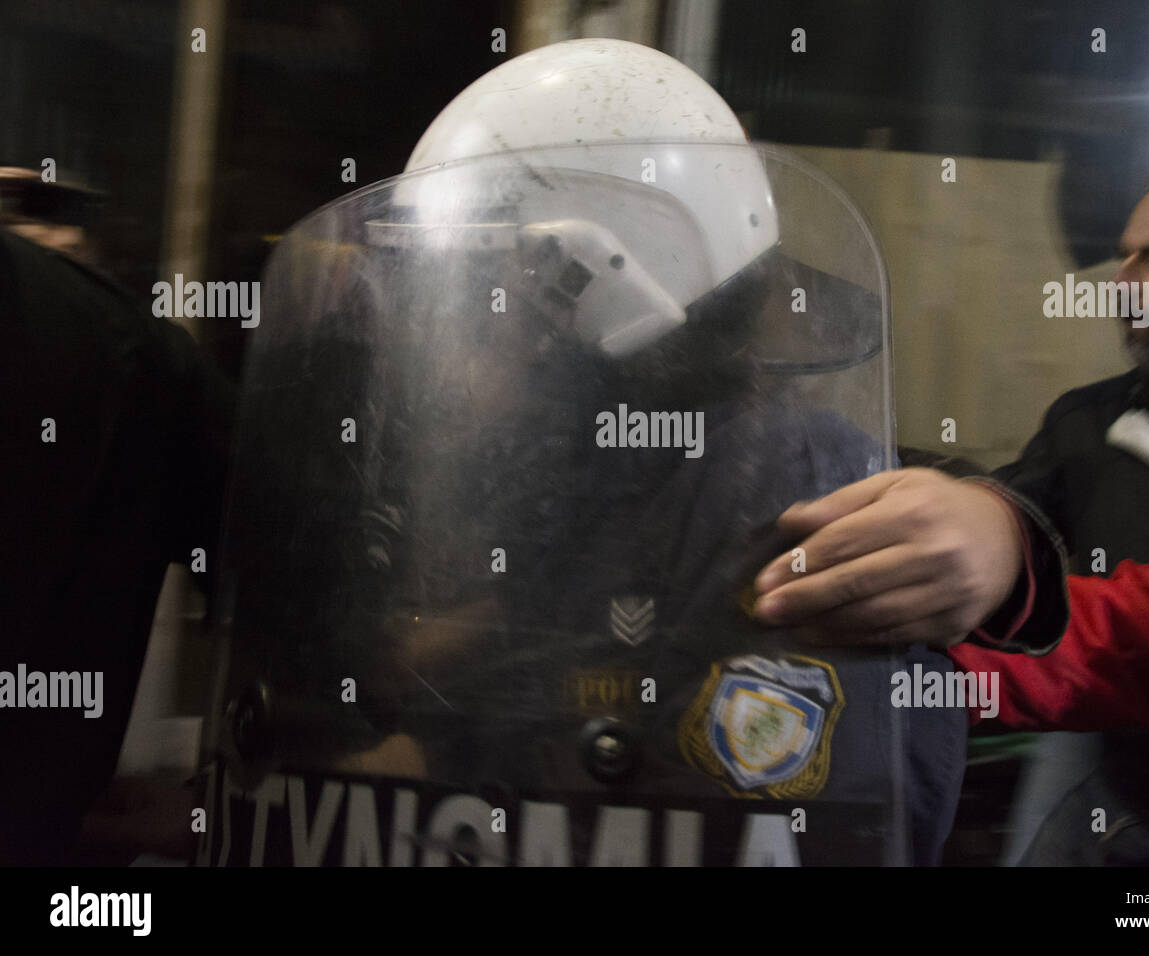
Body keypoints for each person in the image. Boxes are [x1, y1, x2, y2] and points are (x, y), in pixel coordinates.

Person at [198, 39, 1058, 867]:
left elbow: (750, 826)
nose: (431, 347)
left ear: (599, 295)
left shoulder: (787, 488)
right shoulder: (602, 483)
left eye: (465, 306)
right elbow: (512, 730)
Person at [754, 157, 1149, 865]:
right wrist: (975, 519)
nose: (1123, 279)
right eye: (1124, 254)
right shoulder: (1087, 419)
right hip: (1129, 791)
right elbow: (1014, 510)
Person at [0, 228, 233, 864]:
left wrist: (219, 814)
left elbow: (296, 600)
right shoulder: (131, 353)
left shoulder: (137, 362)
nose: (58, 234)